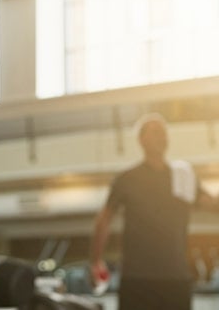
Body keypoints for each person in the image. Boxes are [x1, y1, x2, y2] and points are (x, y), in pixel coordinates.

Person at [90, 113, 219, 310]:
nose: (162, 137)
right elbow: (104, 219)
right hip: (137, 278)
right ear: (142, 140)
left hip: (176, 277)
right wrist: (96, 261)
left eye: (164, 133)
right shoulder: (127, 179)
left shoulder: (182, 175)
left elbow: (210, 203)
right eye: (156, 132)